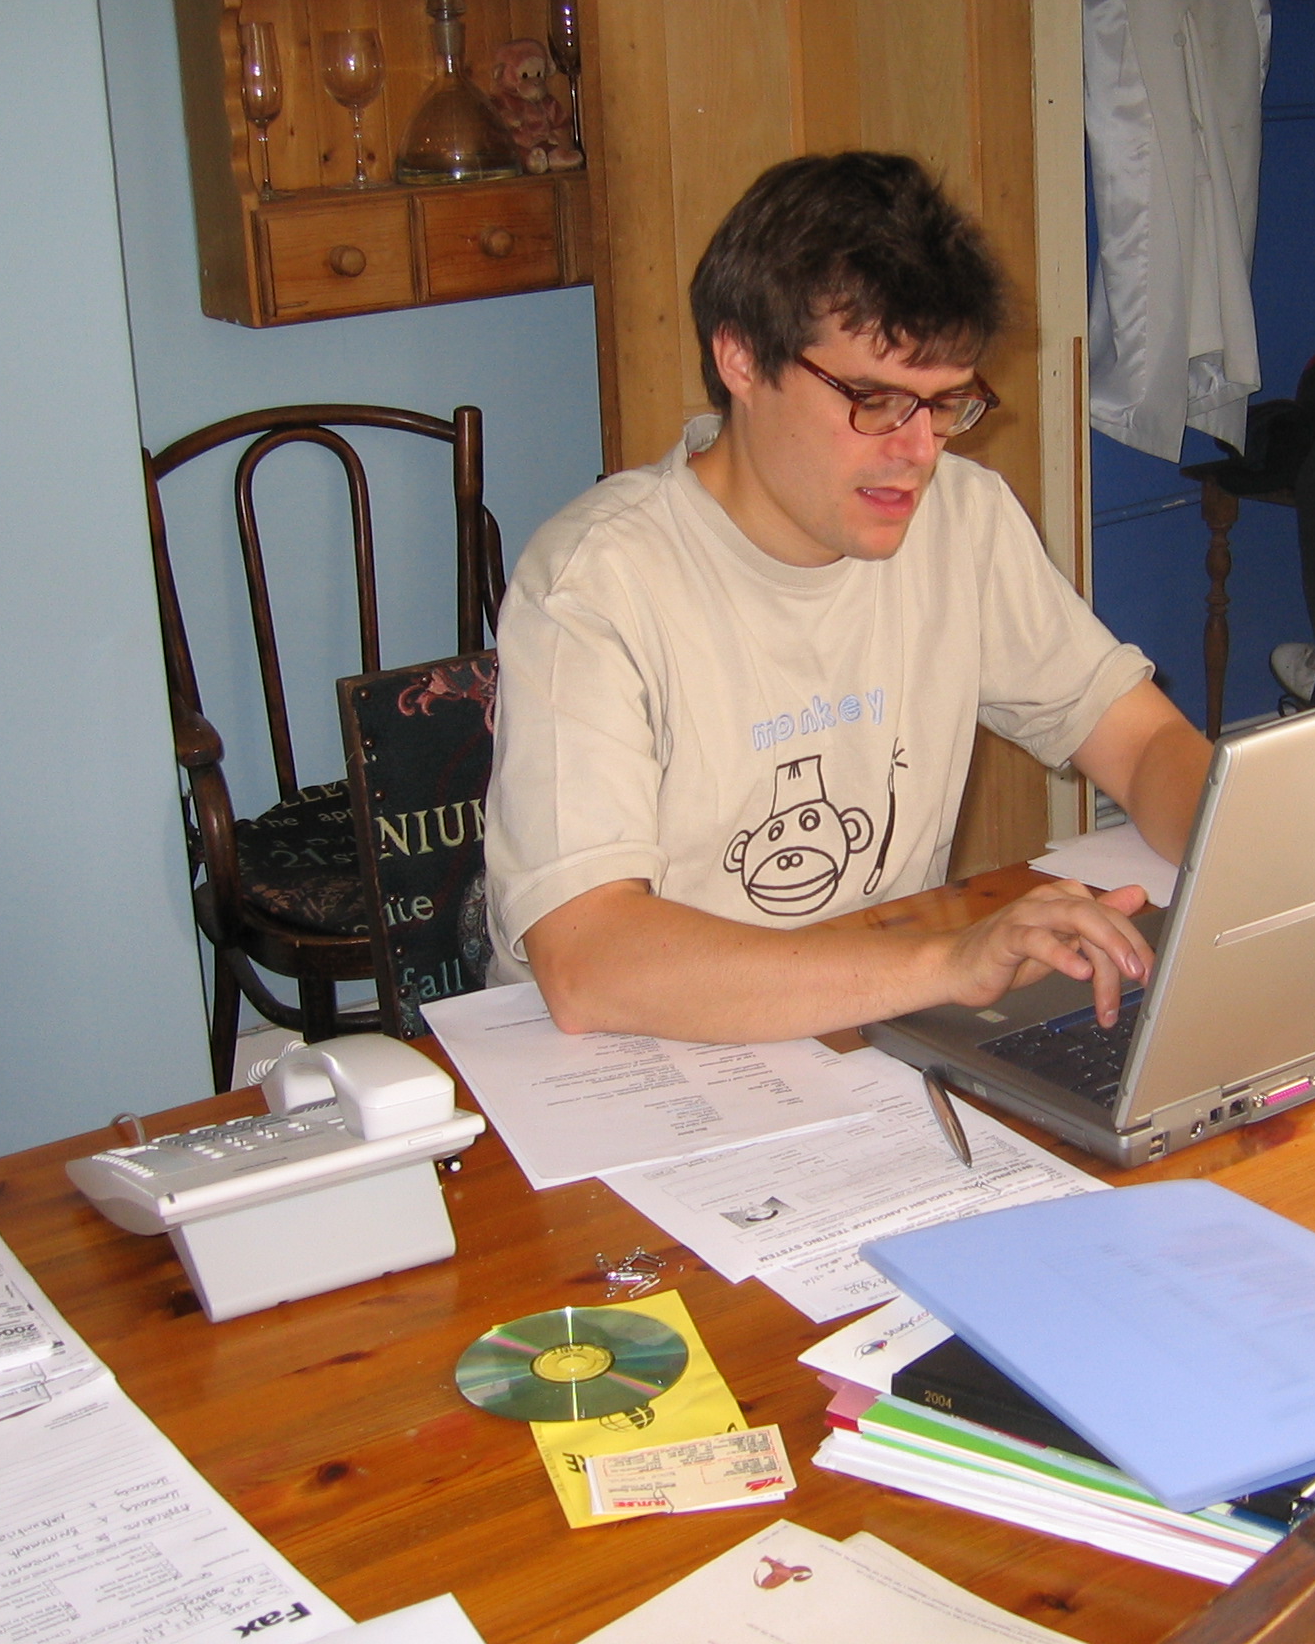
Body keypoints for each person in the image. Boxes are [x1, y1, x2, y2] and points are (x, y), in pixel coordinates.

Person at [487, 151, 1212, 1041]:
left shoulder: (962, 520)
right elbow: (590, 961)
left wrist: (1258, 856)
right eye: (874, 400)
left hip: (865, 1034)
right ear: (741, 358)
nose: (918, 452)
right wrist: (951, 961)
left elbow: (1141, 744)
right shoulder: (597, 583)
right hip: (634, 1067)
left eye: (946, 404)